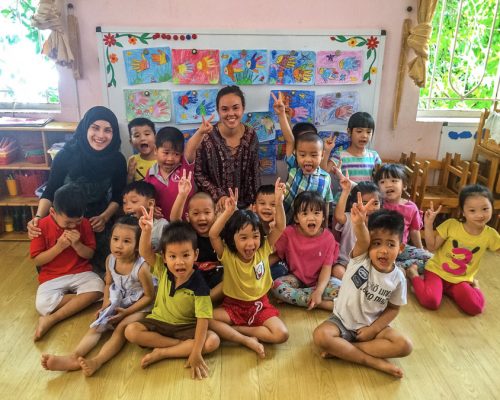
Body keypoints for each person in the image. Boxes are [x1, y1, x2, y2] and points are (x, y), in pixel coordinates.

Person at [41, 215, 154, 376]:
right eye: (115, 239)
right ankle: (73, 357)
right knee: (97, 325)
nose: (119, 246)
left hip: (141, 306)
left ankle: (97, 361)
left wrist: (126, 313)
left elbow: (149, 297)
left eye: (126, 241)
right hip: (119, 299)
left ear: (137, 246)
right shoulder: (110, 260)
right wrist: (105, 305)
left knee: (121, 328)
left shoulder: (141, 268)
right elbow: (108, 284)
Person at [313, 202, 413, 378]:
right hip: (342, 321)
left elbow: (393, 309)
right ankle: (372, 361)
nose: (383, 250)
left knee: (405, 345)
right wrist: (359, 223)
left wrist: (373, 330)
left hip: (371, 326)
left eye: (391, 244)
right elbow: (363, 239)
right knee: (321, 336)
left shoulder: (398, 278)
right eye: (377, 243)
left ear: (401, 248)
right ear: (369, 245)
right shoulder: (361, 258)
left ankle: (344, 351)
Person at [27, 106, 127, 274]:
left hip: (97, 219)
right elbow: (50, 191)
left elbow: (118, 196)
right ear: (85, 128)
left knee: (108, 265)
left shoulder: (117, 159)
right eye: (95, 128)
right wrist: (37, 218)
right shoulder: (65, 155)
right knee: (55, 265)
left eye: (107, 130)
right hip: (64, 217)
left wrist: (104, 217)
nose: (101, 136)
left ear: (114, 133)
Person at [125, 215, 220, 378]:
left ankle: (164, 353)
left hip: (185, 327)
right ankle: (180, 347)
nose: (179, 262)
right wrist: (146, 230)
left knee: (213, 341)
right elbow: (144, 252)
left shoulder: (200, 286)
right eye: (172, 256)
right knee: (131, 331)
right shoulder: (163, 268)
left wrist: (196, 352)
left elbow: (203, 321)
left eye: (185, 255)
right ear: (164, 256)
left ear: (195, 255)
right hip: (159, 321)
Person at [208, 180, 289, 358]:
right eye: (243, 237)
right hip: (233, 306)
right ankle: (245, 339)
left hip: (260, 306)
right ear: (232, 240)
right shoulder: (228, 255)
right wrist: (228, 212)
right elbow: (213, 234)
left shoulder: (264, 249)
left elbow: (281, 227)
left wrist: (279, 201)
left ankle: (236, 331)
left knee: (282, 334)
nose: (251, 243)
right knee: (205, 319)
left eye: (255, 236)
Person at [407, 185, 500, 315]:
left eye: (485, 209)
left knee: (476, 308)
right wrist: (428, 224)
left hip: (460, 279)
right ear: (463, 212)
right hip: (437, 271)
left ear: (492, 207)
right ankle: (414, 274)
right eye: (472, 210)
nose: (480, 215)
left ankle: (474, 286)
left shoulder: (491, 235)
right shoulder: (451, 225)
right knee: (430, 301)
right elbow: (432, 247)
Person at [30, 184, 104, 341]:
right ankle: (81, 300)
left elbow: (89, 254)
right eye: (68, 222)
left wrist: (77, 245)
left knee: (100, 287)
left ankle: (52, 318)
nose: (72, 226)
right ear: (52, 212)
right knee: (42, 305)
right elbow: (37, 259)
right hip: (51, 276)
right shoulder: (41, 226)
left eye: (76, 221)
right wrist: (59, 247)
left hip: (81, 271)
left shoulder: (83, 224)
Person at [194, 85, 260, 212]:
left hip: (246, 208)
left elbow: (255, 173)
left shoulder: (251, 135)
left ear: (243, 108)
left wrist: (255, 204)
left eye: (235, 108)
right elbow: (198, 174)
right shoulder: (207, 136)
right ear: (218, 111)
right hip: (215, 208)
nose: (231, 114)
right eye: (225, 109)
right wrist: (219, 195)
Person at [271, 191, 341, 310]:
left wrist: (318, 291)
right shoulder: (288, 233)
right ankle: (320, 303)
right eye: (304, 213)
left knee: (342, 288)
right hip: (296, 280)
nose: (311, 217)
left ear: (323, 216)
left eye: (316, 213)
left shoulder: (328, 238)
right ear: (296, 218)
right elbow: (275, 252)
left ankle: (309, 299)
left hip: (320, 282)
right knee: (276, 286)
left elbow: (327, 268)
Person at [271, 91, 333, 222]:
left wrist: (326, 227)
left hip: (310, 226)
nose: (308, 159)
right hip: (287, 222)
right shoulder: (294, 167)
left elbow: (326, 203)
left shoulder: (326, 178)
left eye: (314, 154)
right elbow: (289, 140)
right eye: (303, 154)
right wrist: (282, 114)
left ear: (322, 155)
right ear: (295, 154)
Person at [170, 170, 223, 301]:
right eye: (196, 213)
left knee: (230, 277)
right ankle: (196, 303)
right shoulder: (188, 232)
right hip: (193, 277)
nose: (202, 218)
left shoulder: (220, 232)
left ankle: (206, 302)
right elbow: (175, 220)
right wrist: (182, 195)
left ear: (215, 214)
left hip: (216, 278)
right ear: (188, 217)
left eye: (207, 212)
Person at [374, 164, 432, 272]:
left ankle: (400, 267)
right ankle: (397, 267)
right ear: (378, 188)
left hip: (403, 248)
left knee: (432, 259)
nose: (388, 185)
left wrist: (421, 249)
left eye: (394, 181)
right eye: (382, 182)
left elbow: (414, 231)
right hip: (382, 249)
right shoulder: (378, 206)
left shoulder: (411, 207)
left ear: (404, 185)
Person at [333, 177, 381, 279]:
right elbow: (338, 215)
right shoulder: (351, 218)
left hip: (367, 265)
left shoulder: (381, 223)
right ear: (353, 204)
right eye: (364, 203)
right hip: (345, 262)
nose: (371, 208)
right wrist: (346, 191)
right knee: (337, 271)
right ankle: (351, 283)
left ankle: (358, 284)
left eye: (375, 203)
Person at [327, 111, 381, 184]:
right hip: (345, 195)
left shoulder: (374, 156)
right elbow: (325, 172)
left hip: (367, 195)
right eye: (359, 131)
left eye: (368, 132)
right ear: (349, 132)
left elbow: (380, 180)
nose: (364, 135)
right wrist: (327, 151)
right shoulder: (339, 156)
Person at [122, 180, 168, 252]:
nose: (127, 207)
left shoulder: (162, 226)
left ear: (150, 203)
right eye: (124, 202)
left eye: (134, 201)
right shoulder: (123, 226)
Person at [126, 117, 157, 183]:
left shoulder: (163, 158)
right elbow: (129, 187)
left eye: (147, 134)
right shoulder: (132, 161)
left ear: (155, 137)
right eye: (137, 136)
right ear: (131, 142)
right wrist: (130, 175)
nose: (142, 138)